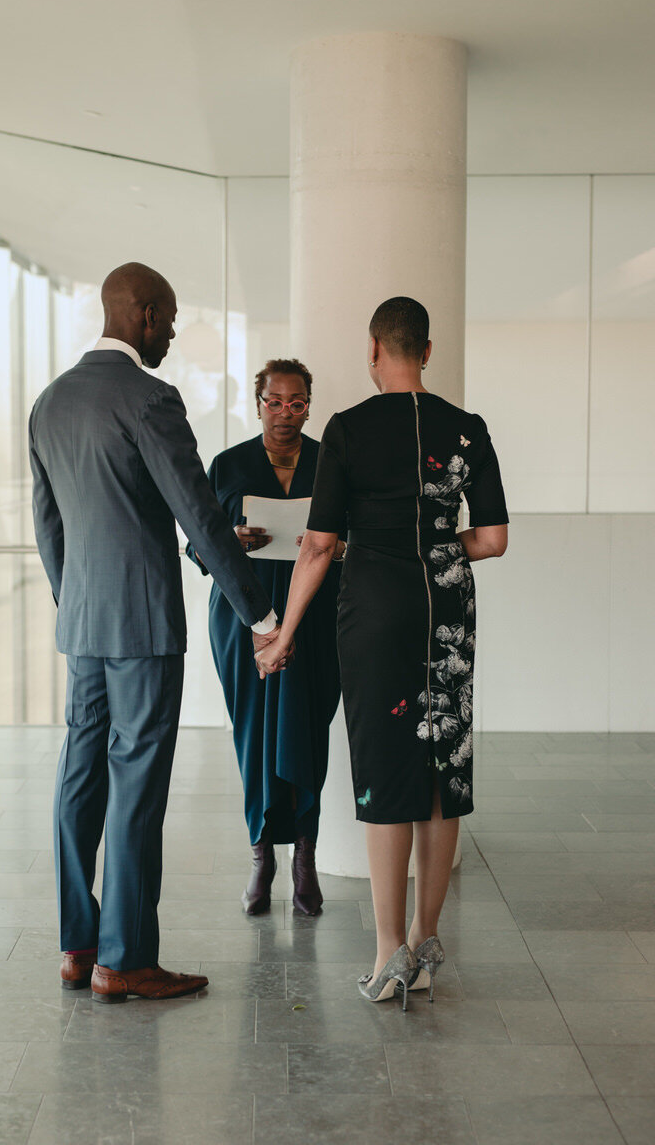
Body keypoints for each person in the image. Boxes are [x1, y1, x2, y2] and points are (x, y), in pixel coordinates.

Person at [29, 262, 288, 1004]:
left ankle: (78, 946)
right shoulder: (149, 399)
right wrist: (262, 618)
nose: (174, 330)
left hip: (84, 623)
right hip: (142, 624)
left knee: (79, 776)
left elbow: (48, 526)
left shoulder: (50, 403)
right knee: (136, 785)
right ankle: (126, 958)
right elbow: (200, 516)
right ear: (141, 314)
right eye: (169, 316)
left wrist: (74, 600)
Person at [256, 297, 508, 1008]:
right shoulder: (467, 429)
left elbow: (319, 544)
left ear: (375, 351)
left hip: (373, 609)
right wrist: (434, 551)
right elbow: (491, 539)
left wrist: (284, 632)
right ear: (425, 351)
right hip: (447, 607)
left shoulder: (347, 430)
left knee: (384, 760)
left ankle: (386, 951)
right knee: (442, 760)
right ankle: (428, 941)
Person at [187, 360, 343, 916]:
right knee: (252, 734)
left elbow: (362, 537)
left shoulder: (331, 462)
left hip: (317, 615)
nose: (285, 413)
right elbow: (196, 545)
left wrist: (336, 546)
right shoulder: (228, 465)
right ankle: (261, 858)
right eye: (274, 402)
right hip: (243, 622)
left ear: (309, 404)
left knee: (308, 730)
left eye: (296, 402)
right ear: (257, 404)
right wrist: (229, 541)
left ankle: (305, 858)